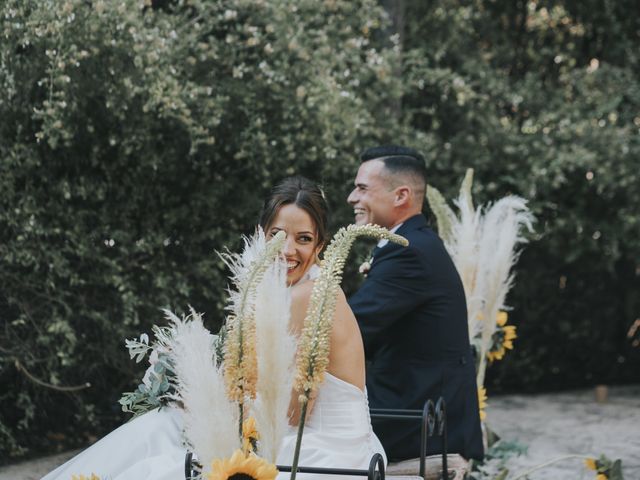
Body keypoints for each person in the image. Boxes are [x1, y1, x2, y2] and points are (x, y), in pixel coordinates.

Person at [43, 176, 385, 480]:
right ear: (260, 235)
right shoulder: (281, 290)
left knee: (162, 438)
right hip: (310, 438)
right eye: (277, 235)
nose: (288, 249)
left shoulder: (308, 294)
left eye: (304, 238)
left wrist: (205, 404)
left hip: (320, 450)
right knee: (164, 426)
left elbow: (292, 414)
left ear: (321, 246)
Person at [347, 145, 484, 462]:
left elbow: (352, 327)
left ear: (400, 196)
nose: (352, 198)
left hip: (419, 423)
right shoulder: (415, 243)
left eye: (362, 188)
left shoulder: (408, 251)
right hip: (418, 408)